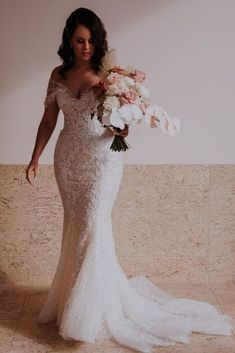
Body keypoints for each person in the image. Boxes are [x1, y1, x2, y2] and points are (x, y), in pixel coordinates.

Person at [25, 7, 234, 353]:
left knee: (94, 225)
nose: (86, 47)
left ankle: (91, 313)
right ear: (69, 41)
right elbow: (48, 120)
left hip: (102, 160)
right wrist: (35, 158)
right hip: (68, 161)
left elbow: (118, 120)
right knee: (76, 227)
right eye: (80, 40)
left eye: (92, 40)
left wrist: (123, 124)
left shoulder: (109, 76)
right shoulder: (57, 75)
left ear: (99, 41)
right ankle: (73, 304)